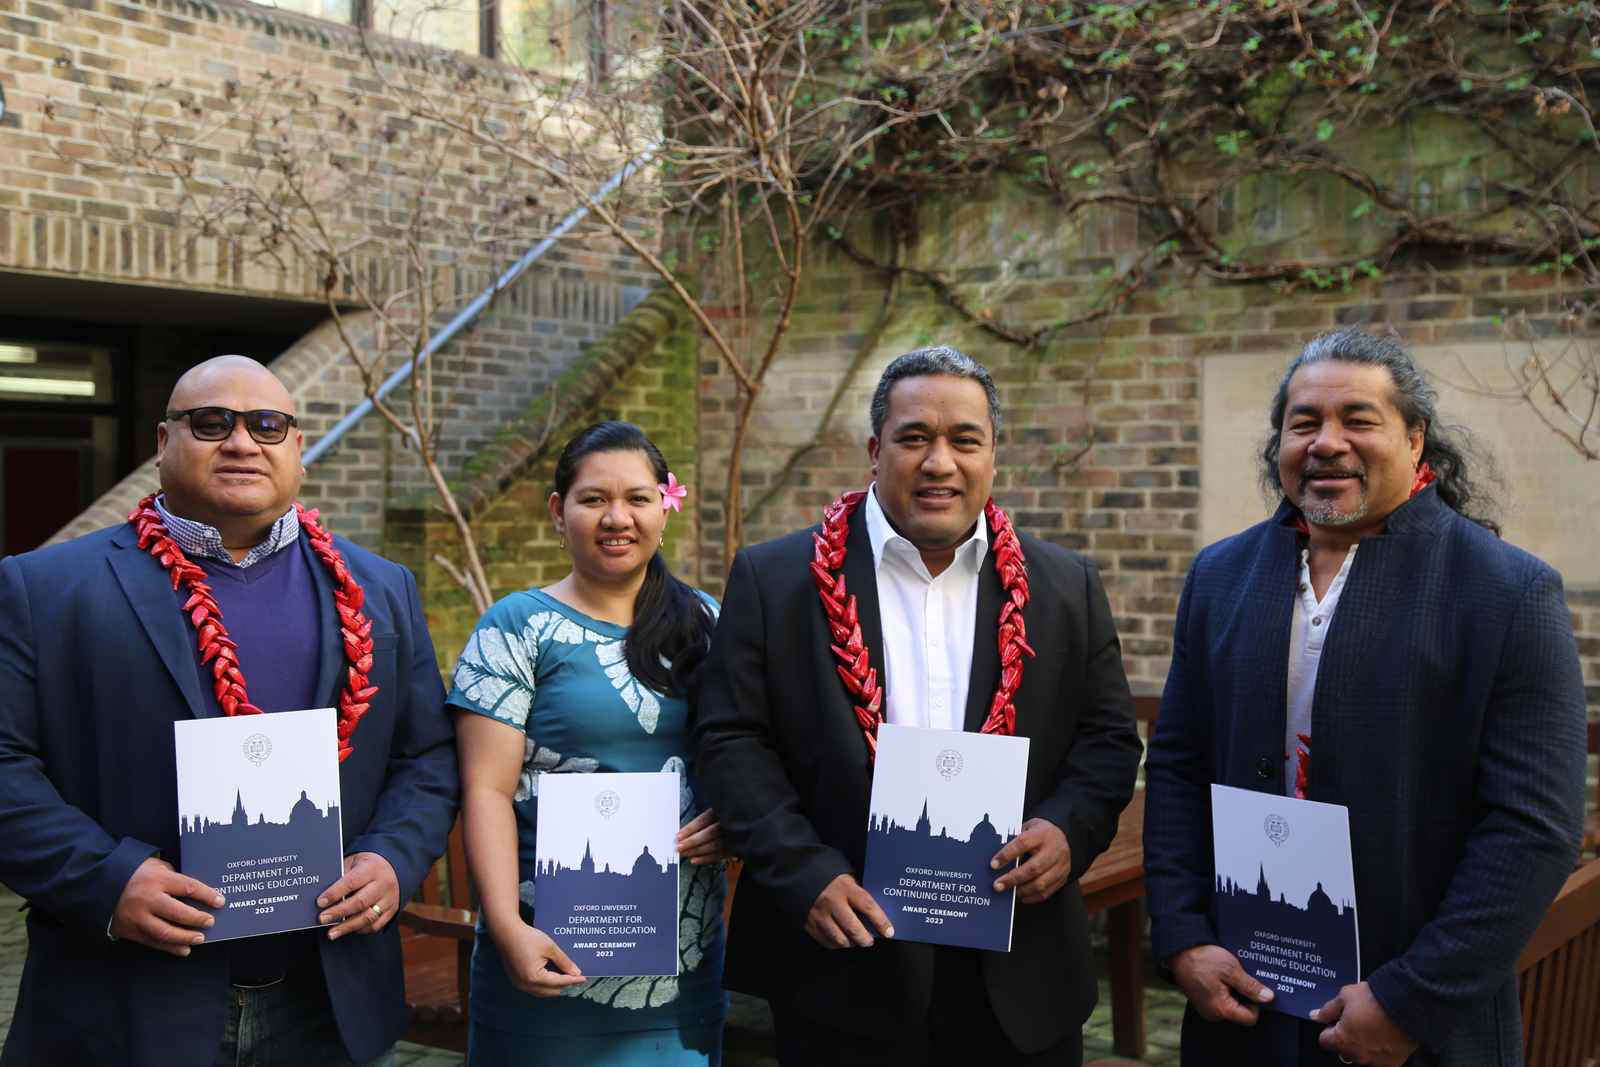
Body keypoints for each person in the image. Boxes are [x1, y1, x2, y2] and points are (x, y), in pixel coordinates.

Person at [1144, 328, 1589, 1067]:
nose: (1327, 442)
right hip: (1244, 1010)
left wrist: (1409, 1000)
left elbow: (1533, 829)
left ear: (1416, 440)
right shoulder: (1219, 577)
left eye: (1358, 419)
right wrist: (1184, 934)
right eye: (1304, 422)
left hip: (1420, 1029)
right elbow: (1179, 768)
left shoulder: (1506, 591)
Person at [0, 355, 460, 1066]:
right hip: (121, 1007)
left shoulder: (383, 588)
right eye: (211, 422)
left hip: (326, 1005)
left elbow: (426, 755)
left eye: (268, 424)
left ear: (298, 448)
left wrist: (394, 858)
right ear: (162, 443)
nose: (242, 441)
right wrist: (105, 878)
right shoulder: (43, 588)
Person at [694, 346, 1143, 1066]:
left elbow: (1108, 742)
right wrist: (804, 871)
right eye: (914, 438)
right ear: (875, 451)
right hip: (840, 963)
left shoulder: (1066, 587)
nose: (940, 461)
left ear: (994, 453)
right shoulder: (774, 580)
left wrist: (1067, 830)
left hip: (1018, 973)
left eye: (965, 439)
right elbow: (731, 741)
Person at [448, 420, 727, 1065]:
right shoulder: (518, 626)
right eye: (593, 499)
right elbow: (486, 790)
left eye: (637, 497)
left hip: (679, 955)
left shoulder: (707, 622)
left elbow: (744, 757)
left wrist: (733, 820)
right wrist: (508, 929)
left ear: (666, 505)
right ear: (559, 510)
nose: (616, 517)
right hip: (542, 944)